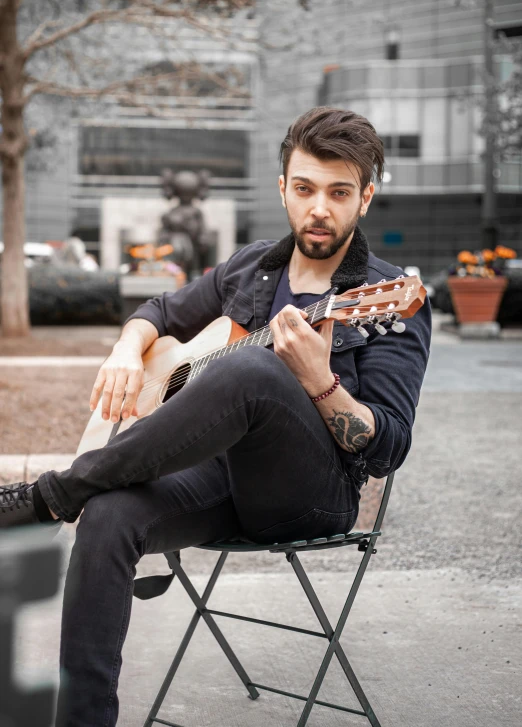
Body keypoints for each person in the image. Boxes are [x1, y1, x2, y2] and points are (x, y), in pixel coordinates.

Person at [0, 107, 431, 727]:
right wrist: (127, 348)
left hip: (311, 493)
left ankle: (47, 497)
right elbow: (160, 308)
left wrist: (318, 379)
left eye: (339, 193)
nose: (318, 209)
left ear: (364, 198)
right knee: (110, 514)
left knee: (250, 371)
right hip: (218, 481)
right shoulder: (252, 267)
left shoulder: (389, 299)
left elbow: (386, 447)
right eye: (305, 188)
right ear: (283, 186)